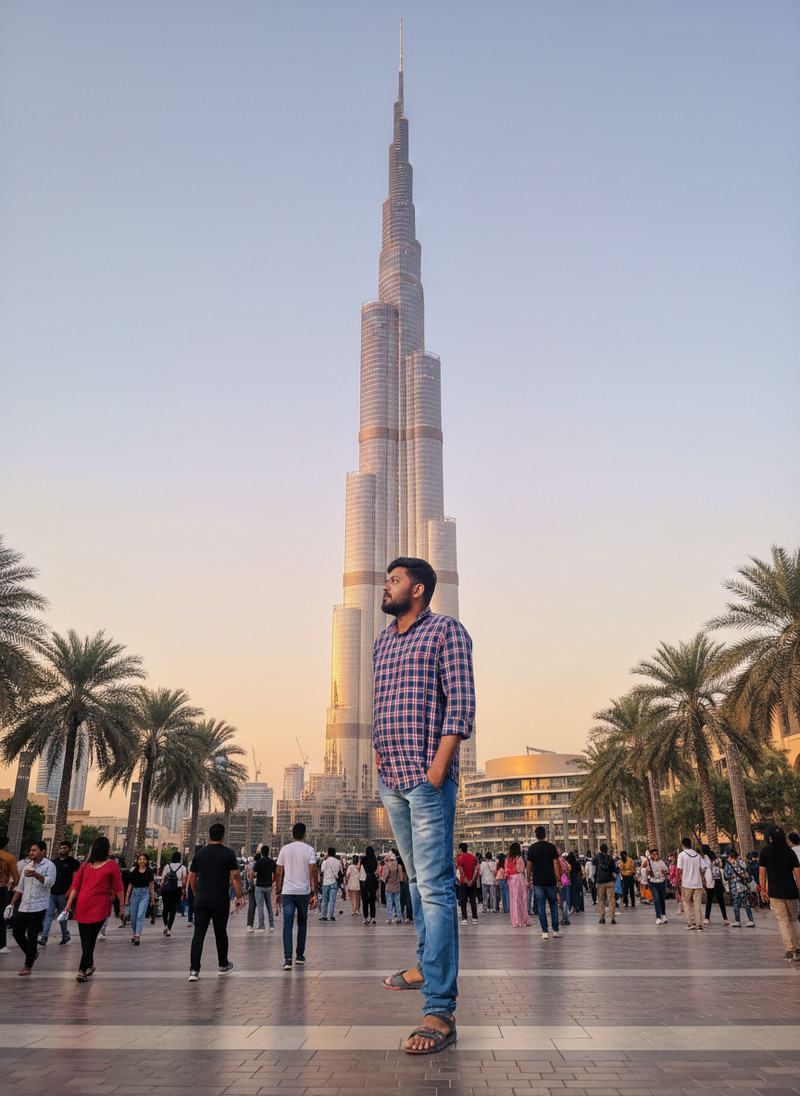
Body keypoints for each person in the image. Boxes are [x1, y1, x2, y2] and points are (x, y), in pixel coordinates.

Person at [373, 557, 475, 1055]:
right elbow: (380, 702)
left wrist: (437, 770)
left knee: (435, 888)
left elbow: (461, 704)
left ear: (417, 589)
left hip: (426, 780)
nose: (385, 586)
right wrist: (377, 754)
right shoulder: (381, 642)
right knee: (416, 880)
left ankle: (439, 1009)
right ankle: (424, 962)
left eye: (393, 580)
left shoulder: (447, 632)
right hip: (390, 778)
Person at [187, 823, 243, 981]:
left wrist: (197, 892)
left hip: (202, 899)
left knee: (199, 933)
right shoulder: (228, 854)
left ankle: (194, 971)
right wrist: (238, 897)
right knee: (220, 932)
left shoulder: (200, 854)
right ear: (223, 836)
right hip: (220, 899)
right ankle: (223, 965)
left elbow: (192, 877)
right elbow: (235, 876)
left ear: (209, 835)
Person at [65, 835, 124, 982]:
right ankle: (89, 964)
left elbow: (118, 887)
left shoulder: (107, 865)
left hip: (97, 907)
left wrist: (70, 902)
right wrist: (122, 905)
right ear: (106, 849)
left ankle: (81, 970)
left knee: (89, 938)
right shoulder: (86, 866)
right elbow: (76, 886)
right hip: (86, 906)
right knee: (85, 939)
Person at [275, 821, 317, 970]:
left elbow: (279, 872)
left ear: (292, 834)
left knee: (287, 923)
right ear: (305, 834)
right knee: (302, 923)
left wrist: (278, 891)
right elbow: (313, 871)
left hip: (287, 892)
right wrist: (314, 893)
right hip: (303, 892)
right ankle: (299, 955)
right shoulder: (309, 850)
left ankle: (287, 958)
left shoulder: (285, 849)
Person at [8, 840, 55, 975]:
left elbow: (49, 883)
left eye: (34, 850)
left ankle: (27, 965)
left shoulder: (49, 865)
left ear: (42, 851)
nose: (31, 853)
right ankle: (32, 953)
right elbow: (20, 887)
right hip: (24, 905)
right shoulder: (27, 866)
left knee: (32, 934)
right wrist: (11, 904)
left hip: (39, 905)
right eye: (30, 850)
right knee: (17, 932)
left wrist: (35, 874)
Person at [758, 824, 800, 961]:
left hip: (775, 891)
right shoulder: (790, 852)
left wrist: (763, 890)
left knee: (783, 921)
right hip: (791, 891)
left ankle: (790, 949)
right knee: (793, 919)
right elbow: (798, 873)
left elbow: (762, 874)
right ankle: (798, 947)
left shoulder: (765, 852)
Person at [38, 839, 80, 948]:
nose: (62, 850)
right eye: (61, 848)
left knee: (62, 915)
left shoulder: (73, 862)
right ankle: (44, 937)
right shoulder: (53, 862)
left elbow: (76, 877)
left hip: (64, 893)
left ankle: (65, 934)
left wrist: (71, 891)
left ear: (69, 849)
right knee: (49, 914)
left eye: (65, 848)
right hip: (52, 892)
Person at [526, 826, 562, 939]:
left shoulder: (532, 848)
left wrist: (528, 880)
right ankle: (555, 930)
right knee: (553, 905)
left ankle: (545, 932)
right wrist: (558, 879)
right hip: (551, 881)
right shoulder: (552, 848)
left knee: (541, 907)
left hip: (538, 882)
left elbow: (529, 866)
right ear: (545, 835)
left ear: (535, 835)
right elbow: (556, 864)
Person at [125, 853, 155, 944]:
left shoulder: (149, 871)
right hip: (134, 893)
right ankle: (135, 934)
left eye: (144, 859)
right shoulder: (134, 871)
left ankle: (137, 934)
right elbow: (130, 885)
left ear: (147, 861)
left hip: (145, 894)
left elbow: (151, 885)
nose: (142, 861)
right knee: (133, 917)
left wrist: (152, 898)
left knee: (140, 915)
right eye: (140, 859)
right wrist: (127, 898)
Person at [676, 837, 705, 931]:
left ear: (682, 845)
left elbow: (679, 870)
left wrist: (679, 881)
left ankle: (690, 922)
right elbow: (704, 868)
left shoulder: (682, 855)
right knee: (697, 903)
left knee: (686, 901)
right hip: (698, 883)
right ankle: (699, 924)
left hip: (686, 883)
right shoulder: (698, 855)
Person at [723, 846, 755, 927]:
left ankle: (737, 921)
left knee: (736, 904)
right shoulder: (740, 862)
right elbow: (744, 870)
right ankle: (750, 920)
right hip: (742, 885)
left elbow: (726, 875)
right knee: (746, 903)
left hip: (734, 886)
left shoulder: (728, 865)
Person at [0, 833, 20, 955]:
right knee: (1, 918)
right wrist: (11, 886)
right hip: (2, 889)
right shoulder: (9, 857)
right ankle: (2, 945)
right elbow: (16, 878)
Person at [159, 852, 187, 937]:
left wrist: (162, 888)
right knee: (173, 909)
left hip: (166, 889)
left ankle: (165, 925)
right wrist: (183, 890)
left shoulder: (167, 866)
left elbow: (162, 879)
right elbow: (184, 880)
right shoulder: (182, 867)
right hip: (177, 889)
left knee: (165, 908)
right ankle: (169, 928)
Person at [251, 845, 277, 932]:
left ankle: (261, 926)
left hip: (259, 886)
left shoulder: (258, 862)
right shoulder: (272, 862)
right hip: (268, 886)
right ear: (268, 852)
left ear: (261, 853)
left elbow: (254, 874)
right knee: (269, 906)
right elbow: (275, 873)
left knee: (260, 907)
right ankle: (271, 925)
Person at [592, 843, 617, 925]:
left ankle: (602, 917)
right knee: (611, 900)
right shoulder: (610, 858)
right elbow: (614, 868)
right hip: (609, 880)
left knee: (601, 900)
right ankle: (612, 918)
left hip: (600, 881)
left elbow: (593, 863)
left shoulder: (597, 857)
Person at [702, 848, 729, 925]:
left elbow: (703, 868)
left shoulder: (706, 859)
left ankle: (707, 918)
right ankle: (725, 918)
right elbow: (720, 866)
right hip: (718, 881)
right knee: (721, 900)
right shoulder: (717, 859)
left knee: (709, 900)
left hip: (711, 882)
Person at [506, 842, 529, 927]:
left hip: (512, 879)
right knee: (522, 899)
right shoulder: (519, 858)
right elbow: (522, 870)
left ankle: (516, 921)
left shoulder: (508, 859)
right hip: (520, 878)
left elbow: (506, 871)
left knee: (513, 900)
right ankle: (523, 919)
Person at [643, 848, 669, 924]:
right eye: (653, 854)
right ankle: (658, 916)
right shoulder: (649, 862)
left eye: (656, 854)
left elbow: (666, 870)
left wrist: (665, 872)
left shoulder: (661, 862)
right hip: (653, 882)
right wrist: (647, 870)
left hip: (661, 881)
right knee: (656, 899)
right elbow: (643, 868)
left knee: (661, 899)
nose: (655, 856)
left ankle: (663, 914)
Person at [456, 843, 479, 925]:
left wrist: (465, 879)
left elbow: (458, 869)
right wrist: (472, 880)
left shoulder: (459, 858)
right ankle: (475, 917)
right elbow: (477, 869)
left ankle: (464, 918)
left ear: (460, 849)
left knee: (463, 900)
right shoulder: (473, 858)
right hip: (472, 882)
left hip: (463, 882)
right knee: (472, 900)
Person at [319, 847, 342, 923]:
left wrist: (324, 859)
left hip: (326, 882)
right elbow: (341, 871)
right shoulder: (338, 861)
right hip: (334, 882)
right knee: (332, 900)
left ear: (328, 853)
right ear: (335, 853)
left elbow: (322, 870)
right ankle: (331, 915)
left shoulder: (325, 862)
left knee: (325, 900)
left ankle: (324, 915)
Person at [359, 846, 379, 926]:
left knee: (365, 900)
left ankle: (366, 917)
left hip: (365, 880)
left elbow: (359, 868)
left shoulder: (363, 859)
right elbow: (376, 871)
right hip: (372, 879)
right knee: (372, 899)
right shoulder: (375, 860)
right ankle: (373, 917)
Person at [384, 853, 402, 923]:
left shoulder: (388, 865)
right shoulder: (398, 864)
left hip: (389, 885)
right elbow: (400, 874)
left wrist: (384, 880)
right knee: (397, 901)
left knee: (389, 902)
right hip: (397, 885)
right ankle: (399, 916)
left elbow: (386, 875)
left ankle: (390, 918)